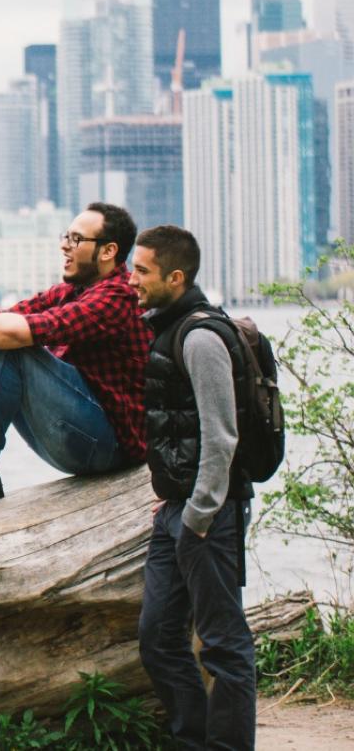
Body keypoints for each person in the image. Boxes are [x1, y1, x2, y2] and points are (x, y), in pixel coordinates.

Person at [0, 202, 151, 510]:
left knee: (11, 349)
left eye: (76, 239)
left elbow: (16, 332)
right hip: (77, 434)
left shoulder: (118, 296)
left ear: (108, 251)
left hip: (109, 447)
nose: (64, 245)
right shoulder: (72, 291)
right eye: (66, 236)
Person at [129, 225, 255, 749]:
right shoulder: (170, 328)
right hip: (178, 509)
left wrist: (199, 512)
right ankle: (192, 739)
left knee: (224, 645)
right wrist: (173, 496)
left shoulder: (200, 337)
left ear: (175, 277)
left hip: (210, 514)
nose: (131, 280)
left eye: (141, 271)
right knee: (158, 638)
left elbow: (220, 436)